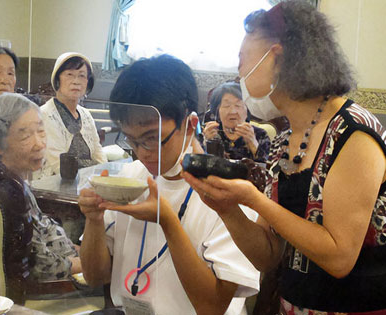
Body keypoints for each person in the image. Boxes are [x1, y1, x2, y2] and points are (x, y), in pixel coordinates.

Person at [183, 1, 386, 314]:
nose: (239, 75)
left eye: (242, 61)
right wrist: (228, 209)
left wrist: (255, 200)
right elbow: (267, 255)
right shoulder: (283, 143)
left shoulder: (353, 132)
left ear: (275, 58)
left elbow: (339, 257)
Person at [78, 55, 260, 315]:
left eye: (152, 139)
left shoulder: (230, 195)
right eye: (132, 140)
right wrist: (94, 220)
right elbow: (95, 277)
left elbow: (212, 308)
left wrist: (167, 221)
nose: (142, 153)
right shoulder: (131, 177)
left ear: (190, 125)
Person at [0, 92, 81, 281]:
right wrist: (93, 264)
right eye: (26, 135)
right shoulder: (7, 195)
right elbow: (43, 267)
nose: (39, 143)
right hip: (49, 294)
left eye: (41, 131)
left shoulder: (17, 182)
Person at [37, 52, 107, 178]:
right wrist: (94, 171)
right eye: (70, 75)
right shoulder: (44, 115)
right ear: (57, 79)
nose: (76, 82)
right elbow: (58, 164)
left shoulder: (85, 114)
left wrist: (104, 174)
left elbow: (98, 152)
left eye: (82, 76)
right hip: (56, 185)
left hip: (89, 182)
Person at [203, 82, 270, 162]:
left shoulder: (260, 135)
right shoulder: (211, 133)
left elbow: (267, 169)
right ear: (217, 112)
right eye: (226, 106)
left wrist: (253, 143)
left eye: (238, 105)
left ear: (247, 111)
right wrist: (206, 143)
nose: (233, 111)